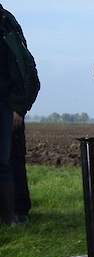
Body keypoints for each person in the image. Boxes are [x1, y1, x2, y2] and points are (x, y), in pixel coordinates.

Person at [0, 3, 39, 226]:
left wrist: (18, 108)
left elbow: (23, 70)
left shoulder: (8, 24)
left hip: (6, 105)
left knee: (6, 162)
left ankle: (13, 215)